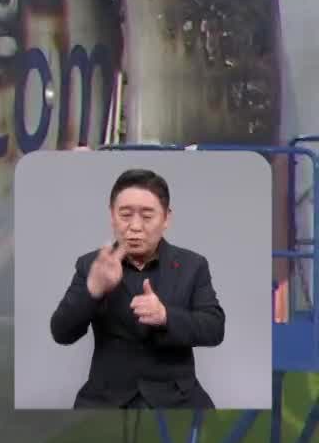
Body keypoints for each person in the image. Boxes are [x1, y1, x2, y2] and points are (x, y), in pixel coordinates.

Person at [49, 167, 225, 408]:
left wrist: (166, 316)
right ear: (112, 216)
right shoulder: (91, 265)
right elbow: (61, 332)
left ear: (166, 219)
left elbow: (214, 329)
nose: (135, 226)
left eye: (147, 215)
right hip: (107, 398)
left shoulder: (192, 265)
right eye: (125, 214)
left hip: (177, 396)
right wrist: (93, 290)